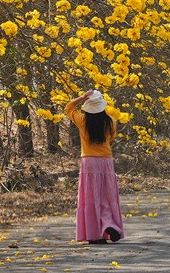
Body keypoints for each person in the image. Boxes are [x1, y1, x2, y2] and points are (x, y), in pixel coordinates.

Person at [64, 89, 125, 244]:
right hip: (105, 161)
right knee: (106, 196)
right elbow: (111, 137)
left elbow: (68, 108)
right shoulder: (111, 121)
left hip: (89, 161)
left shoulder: (82, 120)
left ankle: (95, 233)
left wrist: (82, 97)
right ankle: (109, 225)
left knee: (91, 197)